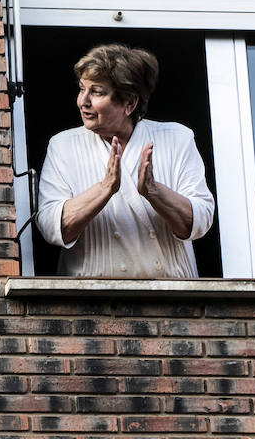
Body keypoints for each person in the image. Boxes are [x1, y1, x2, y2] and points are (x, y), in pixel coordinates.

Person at [37, 44, 214, 278]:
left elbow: (200, 221)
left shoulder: (176, 139)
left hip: (172, 298)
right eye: (82, 89)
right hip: (90, 302)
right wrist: (105, 188)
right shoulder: (63, 145)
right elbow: (51, 227)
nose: (83, 101)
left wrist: (153, 191)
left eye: (97, 92)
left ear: (129, 103)